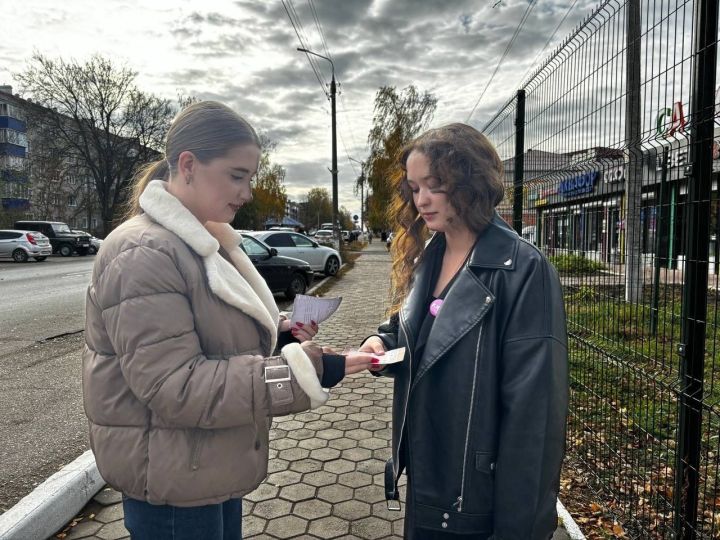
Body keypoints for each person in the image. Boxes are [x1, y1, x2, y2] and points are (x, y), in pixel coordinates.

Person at [82, 101, 373, 540]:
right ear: (188, 165)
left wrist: (277, 335)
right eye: (237, 176)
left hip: (203, 463)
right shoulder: (145, 252)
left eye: (250, 178)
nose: (248, 192)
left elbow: (209, 338)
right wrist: (307, 370)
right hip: (173, 482)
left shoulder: (202, 241)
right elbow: (176, 386)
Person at [359, 123, 568, 539]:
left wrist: (518, 530)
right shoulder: (430, 252)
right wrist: (383, 340)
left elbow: (535, 420)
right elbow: (424, 328)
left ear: (470, 180)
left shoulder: (523, 270)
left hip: (474, 497)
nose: (421, 200)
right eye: (414, 188)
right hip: (426, 478)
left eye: (434, 185)